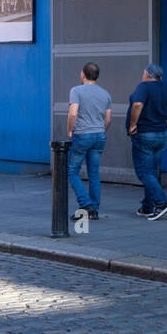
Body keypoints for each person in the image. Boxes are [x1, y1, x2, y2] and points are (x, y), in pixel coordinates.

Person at [128, 63, 167, 221]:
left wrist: (133, 124)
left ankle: (161, 203)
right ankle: (147, 206)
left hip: (145, 135)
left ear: (148, 73)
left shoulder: (144, 86)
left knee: (144, 172)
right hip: (161, 136)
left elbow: (138, 104)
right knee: (152, 172)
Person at [66, 62, 112, 220]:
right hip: (99, 135)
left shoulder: (76, 91)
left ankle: (86, 205)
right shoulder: (105, 93)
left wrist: (70, 130)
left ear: (83, 74)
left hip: (82, 135)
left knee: (71, 171)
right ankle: (94, 209)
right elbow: (108, 119)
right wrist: (100, 131)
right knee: (94, 173)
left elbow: (73, 114)